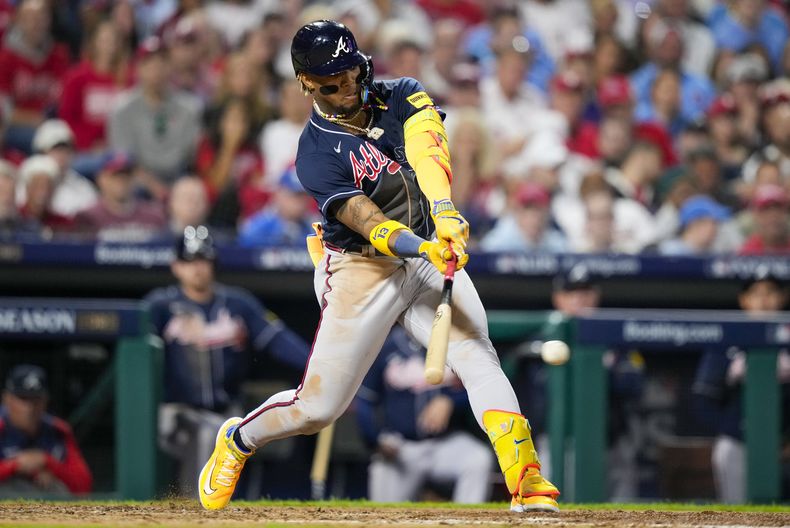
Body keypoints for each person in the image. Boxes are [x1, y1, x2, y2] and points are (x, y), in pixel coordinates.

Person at [197, 20, 560, 514]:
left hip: (429, 248)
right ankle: (238, 439)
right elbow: (366, 221)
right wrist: (419, 245)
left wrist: (445, 212)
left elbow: (429, 151)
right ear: (306, 84)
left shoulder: (403, 94)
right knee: (318, 408)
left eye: (349, 74)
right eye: (330, 82)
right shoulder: (315, 152)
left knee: (477, 354)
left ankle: (527, 481)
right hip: (359, 268)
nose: (345, 88)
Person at [143, 226, 310, 496]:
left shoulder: (237, 303)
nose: (197, 268)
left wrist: (318, 367)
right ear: (176, 266)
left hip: (227, 411)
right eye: (189, 261)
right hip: (175, 412)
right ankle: (195, 507)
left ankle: (212, 508)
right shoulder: (161, 306)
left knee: (224, 432)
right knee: (208, 433)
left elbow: (278, 340)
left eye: (203, 260)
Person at [356, 326, 494, 503]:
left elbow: (482, 387)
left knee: (477, 459)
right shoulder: (385, 347)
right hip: (401, 447)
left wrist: (451, 400)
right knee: (384, 511)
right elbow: (366, 400)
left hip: (444, 444)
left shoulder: (455, 344)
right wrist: (374, 441)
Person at [692, 272, 790, 503]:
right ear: (744, 300)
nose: (764, 301)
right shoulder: (727, 339)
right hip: (738, 441)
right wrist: (737, 432)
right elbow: (704, 401)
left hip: (786, 442)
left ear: (782, 298)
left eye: (770, 293)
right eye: (756, 294)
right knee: (738, 513)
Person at [0, 364, 92, 497]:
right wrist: (14, 466)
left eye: (36, 400)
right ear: (7, 399)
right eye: (23, 399)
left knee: (57, 489)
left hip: (42, 506)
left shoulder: (57, 430)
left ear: (45, 401)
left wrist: (47, 462)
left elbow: (84, 486)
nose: (29, 408)